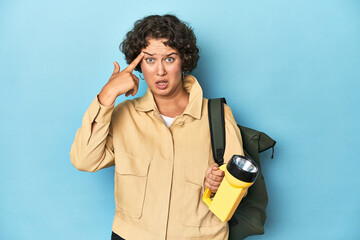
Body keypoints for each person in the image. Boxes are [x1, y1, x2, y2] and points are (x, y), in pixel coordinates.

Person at [70, 14, 244, 240]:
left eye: (169, 59)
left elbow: (239, 186)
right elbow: (84, 160)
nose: (160, 71)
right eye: (150, 60)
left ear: (184, 60)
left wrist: (219, 182)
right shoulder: (125, 115)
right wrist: (107, 95)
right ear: (139, 64)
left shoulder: (217, 115)